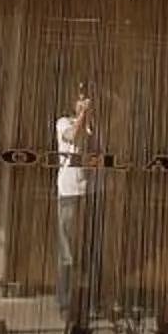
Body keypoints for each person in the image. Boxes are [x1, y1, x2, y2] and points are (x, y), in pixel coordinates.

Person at [55, 82, 94, 310]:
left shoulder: (94, 127)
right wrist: (82, 116)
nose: (84, 104)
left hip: (88, 192)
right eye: (80, 99)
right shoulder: (64, 122)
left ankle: (85, 300)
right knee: (67, 250)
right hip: (68, 191)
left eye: (87, 100)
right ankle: (65, 300)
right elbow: (71, 135)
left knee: (87, 248)